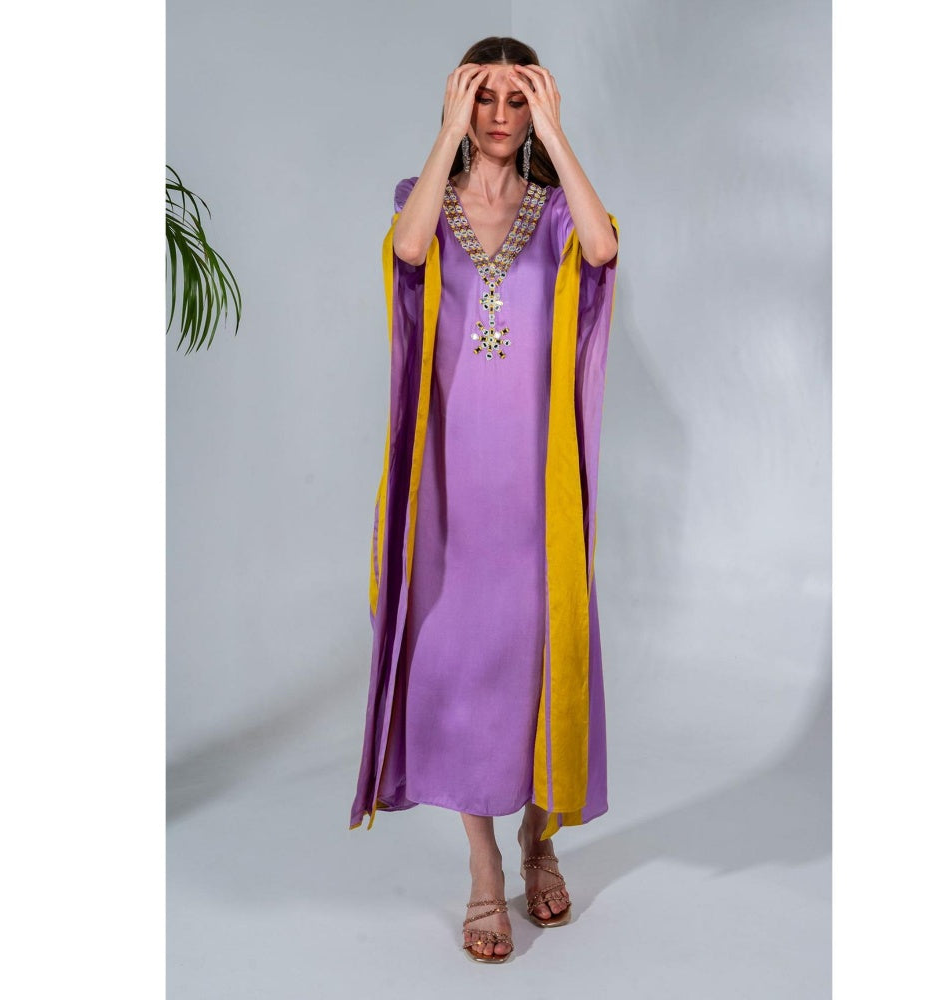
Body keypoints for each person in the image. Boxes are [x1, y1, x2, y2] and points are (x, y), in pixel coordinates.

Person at [349, 36, 620, 963]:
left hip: (537, 484)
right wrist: (445, 135)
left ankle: (539, 840)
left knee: (542, 654)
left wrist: (557, 131)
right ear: (461, 105)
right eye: (485, 98)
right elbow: (409, 249)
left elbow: (604, 247)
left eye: (516, 100)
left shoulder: (555, 211)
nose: (500, 117)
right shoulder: (424, 199)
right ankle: (482, 867)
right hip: (450, 482)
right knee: (460, 665)